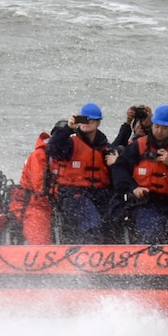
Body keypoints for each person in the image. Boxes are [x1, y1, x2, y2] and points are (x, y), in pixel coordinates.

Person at [111, 104, 168, 244]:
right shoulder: (137, 147)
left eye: (164, 128)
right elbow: (119, 169)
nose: (159, 131)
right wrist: (134, 188)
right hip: (144, 203)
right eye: (157, 126)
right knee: (151, 229)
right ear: (152, 124)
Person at [46, 102, 114, 243]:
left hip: (100, 195)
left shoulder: (105, 147)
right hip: (73, 194)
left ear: (98, 123)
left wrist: (116, 161)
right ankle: (88, 258)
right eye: (84, 119)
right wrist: (68, 128)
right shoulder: (70, 143)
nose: (86, 123)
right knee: (92, 225)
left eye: (90, 120)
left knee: (112, 222)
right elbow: (52, 148)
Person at [11, 127, 56, 245]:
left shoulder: (69, 155)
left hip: (58, 203)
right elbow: (40, 187)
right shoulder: (39, 156)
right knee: (40, 238)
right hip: (35, 204)